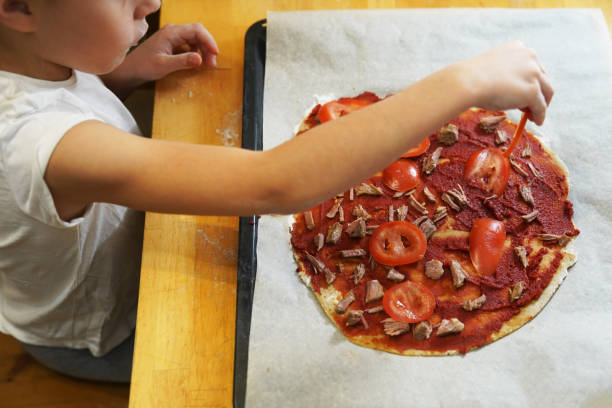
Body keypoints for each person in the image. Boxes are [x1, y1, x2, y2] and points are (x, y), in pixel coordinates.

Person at [0, 0, 553, 383]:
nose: (150, 4)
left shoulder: (33, 59)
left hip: (128, 250)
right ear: (17, 8)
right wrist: (465, 82)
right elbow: (275, 183)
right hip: (108, 328)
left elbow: (70, 102)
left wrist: (118, 77)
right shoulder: (32, 142)